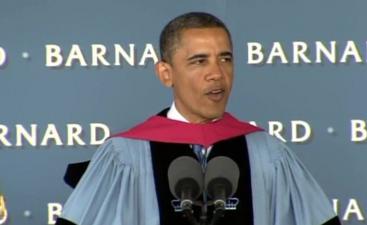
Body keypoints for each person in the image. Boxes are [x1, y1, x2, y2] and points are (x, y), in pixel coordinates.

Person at [56, 12, 341, 225]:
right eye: (199, 61)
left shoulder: (268, 153)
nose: (217, 73)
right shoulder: (125, 155)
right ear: (166, 73)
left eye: (225, 58)